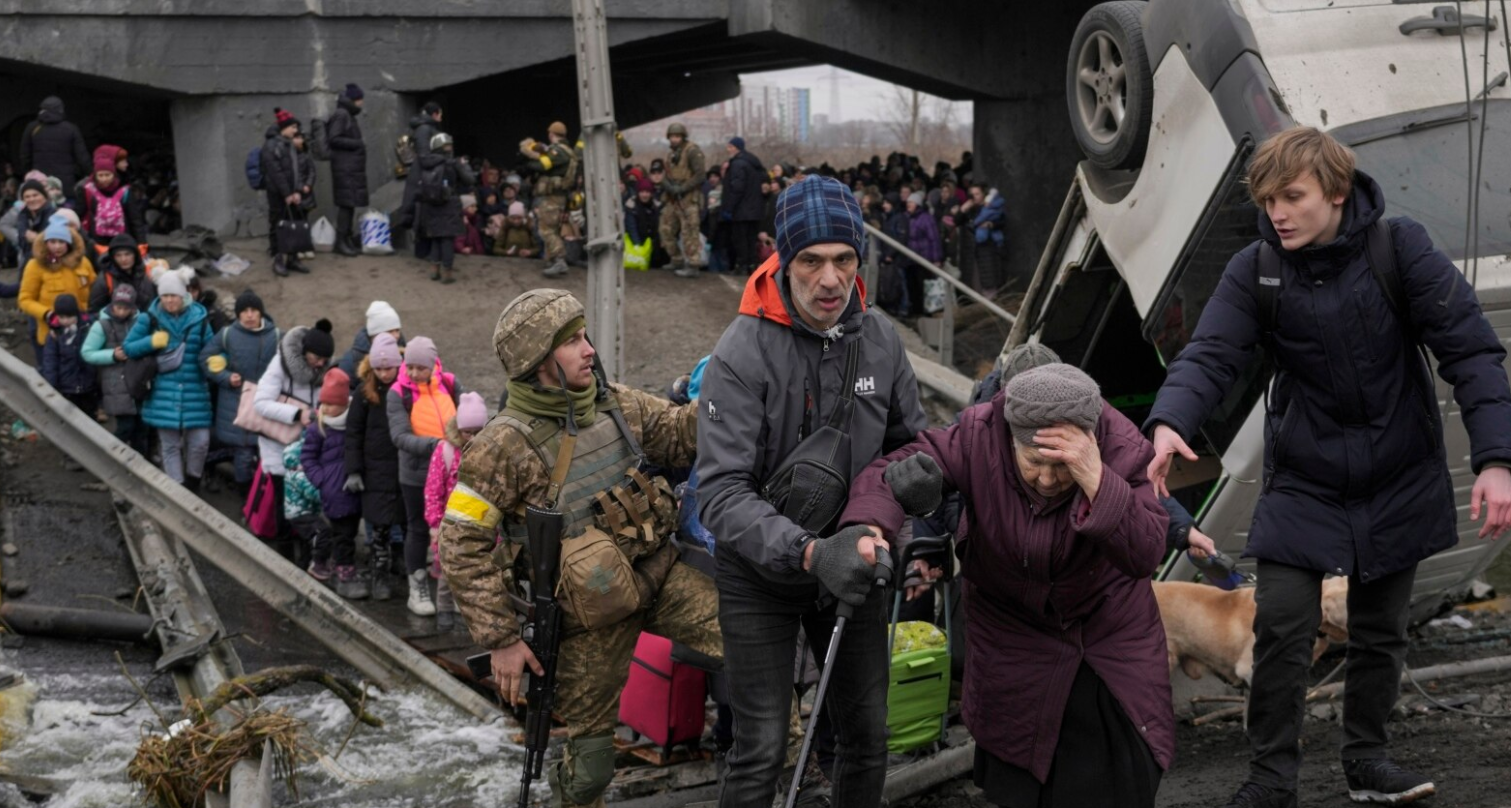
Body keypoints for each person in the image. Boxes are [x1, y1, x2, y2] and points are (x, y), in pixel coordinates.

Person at [1143, 127, 1511, 808]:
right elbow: (1208, 355)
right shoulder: (1256, 267)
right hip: (1304, 480)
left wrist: (1495, 458)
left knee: (1379, 630)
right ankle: (1270, 778)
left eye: (1291, 196)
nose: (1276, 212)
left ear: (1336, 192)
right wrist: (1169, 422)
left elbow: (1471, 353)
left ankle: (1366, 761)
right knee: (1280, 622)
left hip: (1398, 473)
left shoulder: (1399, 249)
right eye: (1266, 200)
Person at [696, 176, 928, 808]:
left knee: (867, 737)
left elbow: (912, 441)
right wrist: (806, 552)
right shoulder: (740, 352)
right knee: (762, 746)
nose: (831, 279)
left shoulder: (879, 338)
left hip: (852, 558)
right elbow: (717, 493)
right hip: (757, 574)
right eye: (812, 261)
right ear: (782, 258)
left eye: (845, 259)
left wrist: (918, 486)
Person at [843, 363, 1173, 807]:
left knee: (1110, 785)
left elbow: (1147, 552)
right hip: (1010, 641)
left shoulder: (1121, 446)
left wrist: (1096, 479)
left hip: (1102, 641)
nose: (1048, 479)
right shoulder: (981, 435)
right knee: (1021, 787)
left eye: (1063, 468)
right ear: (1011, 437)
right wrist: (871, 523)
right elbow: (893, 470)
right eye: (1035, 462)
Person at [439, 288, 718, 808]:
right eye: (572, 342)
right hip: (587, 621)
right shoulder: (502, 446)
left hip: (659, 574)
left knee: (753, 645)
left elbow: (679, 435)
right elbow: (460, 542)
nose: (589, 349)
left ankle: (784, 767)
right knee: (588, 773)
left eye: (585, 336)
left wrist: (726, 394)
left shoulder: (616, 404)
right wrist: (501, 637)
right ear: (538, 360)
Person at [387, 336, 461, 616]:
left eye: (421, 367)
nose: (415, 373)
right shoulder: (398, 393)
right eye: (410, 367)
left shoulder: (450, 384)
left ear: (433, 365)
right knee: (418, 528)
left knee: (454, 528)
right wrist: (438, 446)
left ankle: (450, 587)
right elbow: (399, 436)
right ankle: (416, 587)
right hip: (416, 474)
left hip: (452, 473)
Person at [123, 269, 214, 489]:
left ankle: (193, 482)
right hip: (162, 390)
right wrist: (152, 342)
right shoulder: (149, 319)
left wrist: (218, 362)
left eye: (173, 295)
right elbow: (128, 348)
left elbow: (211, 350)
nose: (169, 300)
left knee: (200, 442)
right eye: (165, 296)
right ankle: (177, 488)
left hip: (195, 390)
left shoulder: (200, 319)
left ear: (184, 295)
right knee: (170, 445)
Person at [253, 318, 335, 559]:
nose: (320, 364)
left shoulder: (323, 370)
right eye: (316, 358)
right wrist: (298, 414)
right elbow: (260, 403)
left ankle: (307, 555)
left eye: (324, 360)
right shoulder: (280, 365)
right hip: (278, 444)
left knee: (306, 502)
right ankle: (285, 554)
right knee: (283, 502)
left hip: (306, 448)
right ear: (304, 352)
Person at [200, 290, 280, 494]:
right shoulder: (228, 334)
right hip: (236, 406)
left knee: (265, 455)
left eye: (254, 310)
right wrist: (225, 377)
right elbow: (205, 358)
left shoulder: (276, 335)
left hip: (265, 404)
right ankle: (247, 498)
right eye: (244, 311)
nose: (250, 315)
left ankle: (261, 499)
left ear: (261, 313)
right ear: (238, 314)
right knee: (244, 455)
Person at [346, 332, 405, 600]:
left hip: (403, 465)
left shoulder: (408, 390)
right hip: (375, 469)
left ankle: (401, 561)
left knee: (405, 521)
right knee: (379, 527)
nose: (383, 373)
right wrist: (354, 469)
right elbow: (353, 432)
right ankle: (379, 573)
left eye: (388, 368)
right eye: (379, 368)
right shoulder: (363, 393)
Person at [422, 390, 487, 631]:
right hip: (449, 524)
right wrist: (435, 523)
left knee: (475, 570)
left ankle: (468, 610)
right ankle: (445, 609)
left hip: (479, 522)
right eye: (467, 432)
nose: (471, 438)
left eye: (477, 432)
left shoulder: (489, 452)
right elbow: (433, 490)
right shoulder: (446, 451)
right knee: (446, 571)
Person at [301, 367, 368, 598]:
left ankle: (328, 563)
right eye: (323, 403)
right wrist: (322, 480)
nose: (325, 408)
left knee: (348, 530)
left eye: (331, 404)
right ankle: (344, 571)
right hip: (333, 491)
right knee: (343, 534)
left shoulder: (355, 423)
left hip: (354, 488)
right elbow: (307, 458)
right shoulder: (318, 429)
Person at [82, 283, 150, 455]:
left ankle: (141, 464)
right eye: (118, 307)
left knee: (142, 428)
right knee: (125, 427)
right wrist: (112, 355)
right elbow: (87, 353)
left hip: (139, 382)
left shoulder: (141, 322)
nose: (121, 312)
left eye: (126, 308)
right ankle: (110, 459)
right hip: (116, 383)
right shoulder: (102, 325)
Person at [18, 214, 96, 364]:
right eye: (52, 242)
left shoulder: (83, 263)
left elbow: (94, 292)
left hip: (83, 333)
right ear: (45, 243)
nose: (57, 246)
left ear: (69, 243)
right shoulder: (35, 266)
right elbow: (25, 299)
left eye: (62, 242)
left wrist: (89, 314)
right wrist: (47, 314)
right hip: (51, 335)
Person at [414, 133, 475, 284]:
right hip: (449, 203)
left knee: (436, 238)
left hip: (431, 205)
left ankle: (434, 271)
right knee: (447, 239)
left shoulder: (426, 162)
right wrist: (464, 166)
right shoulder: (452, 163)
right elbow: (470, 180)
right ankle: (447, 274)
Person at [520, 121, 575, 278]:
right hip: (559, 196)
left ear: (551, 134)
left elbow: (543, 166)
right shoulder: (568, 151)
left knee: (546, 230)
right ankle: (552, 261)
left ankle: (559, 261)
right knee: (553, 228)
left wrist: (529, 160)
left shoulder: (559, 151)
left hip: (553, 197)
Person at [261, 108, 309, 277]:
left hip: (292, 194)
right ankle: (278, 260)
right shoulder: (271, 146)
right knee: (278, 226)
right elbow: (276, 173)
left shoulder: (289, 145)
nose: (296, 131)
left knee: (293, 225)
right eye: (293, 127)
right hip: (277, 195)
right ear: (284, 128)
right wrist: (287, 193)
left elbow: (296, 171)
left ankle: (293, 259)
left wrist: (296, 191)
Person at [658, 122, 706, 278]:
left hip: (688, 198)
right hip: (672, 197)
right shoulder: (670, 154)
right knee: (665, 228)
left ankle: (693, 264)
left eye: (677, 136)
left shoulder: (692, 151)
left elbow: (700, 175)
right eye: (672, 136)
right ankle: (677, 259)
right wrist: (667, 185)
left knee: (690, 231)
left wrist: (682, 188)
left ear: (683, 137)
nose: (674, 139)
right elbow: (665, 175)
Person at [326, 83, 368, 257]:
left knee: (349, 205)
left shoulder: (348, 115)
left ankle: (347, 240)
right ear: (353, 100)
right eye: (360, 100)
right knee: (346, 205)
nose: (362, 103)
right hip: (345, 168)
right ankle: (340, 242)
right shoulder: (342, 114)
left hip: (350, 168)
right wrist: (358, 144)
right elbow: (333, 138)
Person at [78, 145, 147, 250]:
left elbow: (135, 218)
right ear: (95, 175)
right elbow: (80, 214)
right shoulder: (87, 190)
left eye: (107, 175)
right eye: (100, 175)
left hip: (123, 239)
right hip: (97, 240)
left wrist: (141, 242)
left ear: (113, 174)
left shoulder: (125, 191)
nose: (104, 179)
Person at [19, 97, 89, 199]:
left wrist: (28, 174)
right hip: (65, 184)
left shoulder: (32, 127)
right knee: (65, 212)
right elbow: (82, 157)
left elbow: (25, 156)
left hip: (39, 183)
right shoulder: (71, 128)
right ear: (61, 110)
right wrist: (90, 175)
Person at [40, 293, 98, 415]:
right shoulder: (54, 336)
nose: (65, 321)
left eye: (69, 317)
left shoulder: (87, 329)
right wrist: (51, 387)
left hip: (88, 386)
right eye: (62, 317)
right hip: (67, 387)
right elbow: (50, 362)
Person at [721, 137, 766, 276]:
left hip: (741, 210)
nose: (727, 149)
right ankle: (752, 265)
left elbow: (737, 188)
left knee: (740, 239)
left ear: (736, 147)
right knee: (751, 239)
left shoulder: (738, 164)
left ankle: (741, 266)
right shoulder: (753, 163)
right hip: (754, 209)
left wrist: (729, 207)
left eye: (729, 146)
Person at [87, 233, 155, 313]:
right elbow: (94, 310)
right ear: (113, 257)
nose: (123, 259)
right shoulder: (105, 279)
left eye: (127, 254)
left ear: (135, 255)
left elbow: (151, 305)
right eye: (118, 255)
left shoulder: (145, 274)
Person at [336, 300, 403, 380]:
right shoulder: (351, 361)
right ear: (373, 334)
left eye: (397, 330)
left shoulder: (405, 353)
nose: (396, 336)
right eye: (389, 331)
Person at [0, 179, 55, 267]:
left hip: (50, 264)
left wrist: (37, 239)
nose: (31, 199)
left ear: (44, 196)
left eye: (35, 195)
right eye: (27, 197)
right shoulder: (23, 215)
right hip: (28, 262)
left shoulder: (54, 214)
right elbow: (4, 225)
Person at [903, 192, 942, 316]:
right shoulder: (906, 217)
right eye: (908, 202)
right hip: (910, 259)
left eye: (911, 202)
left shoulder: (926, 218)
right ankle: (915, 311)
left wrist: (936, 259)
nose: (908, 204)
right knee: (912, 286)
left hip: (923, 259)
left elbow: (934, 239)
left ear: (918, 204)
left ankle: (925, 312)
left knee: (922, 286)